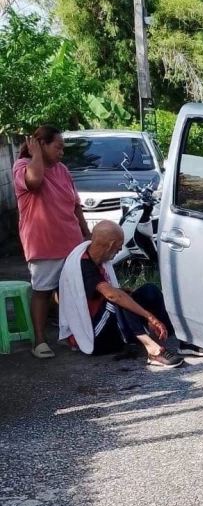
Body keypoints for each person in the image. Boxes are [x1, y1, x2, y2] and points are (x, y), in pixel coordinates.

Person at [58, 221, 203, 367]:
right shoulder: (83, 265)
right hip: (94, 337)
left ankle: (182, 339)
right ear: (111, 244)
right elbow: (112, 296)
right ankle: (152, 351)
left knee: (149, 290)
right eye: (119, 245)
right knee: (117, 300)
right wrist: (148, 316)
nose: (120, 249)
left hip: (109, 326)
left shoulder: (98, 259)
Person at [13, 125, 91, 359]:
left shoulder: (63, 170)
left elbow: (75, 204)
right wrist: (35, 154)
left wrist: (86, 233)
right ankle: (40, 341)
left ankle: (72, 335)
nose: (61, 152)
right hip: (43, 243)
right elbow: (34, 181)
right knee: (43, 291)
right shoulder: (22, 167)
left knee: (70, 291)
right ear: (41, 144)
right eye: (57, 147)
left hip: (71, 240)